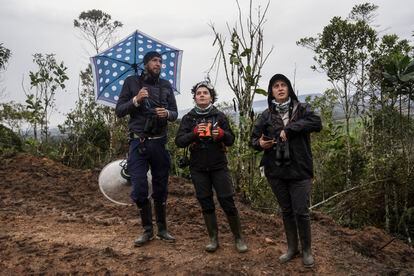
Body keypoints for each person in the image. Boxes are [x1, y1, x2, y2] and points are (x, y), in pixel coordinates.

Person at [251, 74, 322, 267]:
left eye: (283, 85)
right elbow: (253, 140)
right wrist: (260, 143)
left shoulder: (302, 109)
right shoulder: (266, 115)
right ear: (271, 91)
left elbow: (317, 123)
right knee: (287, 210)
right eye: (276, 86)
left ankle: (307, 250)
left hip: (300, 169)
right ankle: (292, 248)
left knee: (301, 211)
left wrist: (290, 129)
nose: (280, 88)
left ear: (289, 88)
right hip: (276, 171)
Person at [175, 81, 248, 253]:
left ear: (211, 97)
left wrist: (222, 134)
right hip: (198, 166)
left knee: (227, 200)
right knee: (205, 202)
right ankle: (213, 239)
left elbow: (231, 139)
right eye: (198, 93)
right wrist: (193, 134)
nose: (201, 95)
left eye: (205, 93)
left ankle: (238, 238)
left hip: (218, 165)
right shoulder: (189, 118)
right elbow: (179, 141)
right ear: (194, 97)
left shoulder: (219, 116)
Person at [115, 51, 177, 247]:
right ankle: (147, 230)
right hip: (138, 142)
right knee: (140, 187)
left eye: (160, 61)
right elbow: (119, 111)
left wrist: (166, 113)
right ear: (145, 63)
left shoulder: (166, 85)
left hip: (159, 142)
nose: (158, 64)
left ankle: (163, 229)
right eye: (154, 60)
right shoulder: (131, 82)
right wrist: (136, 100)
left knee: (161, 187)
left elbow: (175, 113)